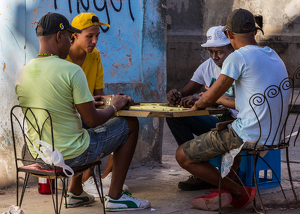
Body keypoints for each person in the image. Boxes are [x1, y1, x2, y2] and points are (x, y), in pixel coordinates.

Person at [15, 12, 150, 211]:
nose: (70, 43)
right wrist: (115, 106)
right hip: (69, 156)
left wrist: (88, 102)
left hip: (37, 156)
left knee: (79, 128)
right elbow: (93, 120)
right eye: (70, 37)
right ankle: (115, 197)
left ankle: (76, 193)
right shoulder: (71, 71)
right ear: (59, 36)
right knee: (129, 124)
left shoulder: (23, 72)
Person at [175, 8, 289, 211]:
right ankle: (227, 189)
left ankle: (238, 191)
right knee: (227, 130)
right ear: (255, 32)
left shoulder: (237, 58)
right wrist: (213, 99)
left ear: (229, 35)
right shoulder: (272, 55)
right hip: (275, 134)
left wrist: (197, 103)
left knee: (182, 155)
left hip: (249, 134)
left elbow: (210, 96)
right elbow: (245, 100)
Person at [65, 12, 128, 197]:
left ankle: (106, 176)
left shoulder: (95, 56)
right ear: (74, 35)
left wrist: (118, 100)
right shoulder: (63, 59)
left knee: (121, 116)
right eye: (89, 36)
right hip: (70, 118)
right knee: (93, 123)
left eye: (97, 36)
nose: (94, 41)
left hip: (88, 111)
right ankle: (85, 179)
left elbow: (99, 96)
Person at [166, 26, 235, 191]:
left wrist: (206, 98)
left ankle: (211, 172)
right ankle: (200, 169)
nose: (214, 57)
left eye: (219, 52)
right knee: (174, 116)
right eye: (211, 52)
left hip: (233, 122)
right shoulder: (207, 66)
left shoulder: (237, 65)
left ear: (231, 47)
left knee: (225, 121)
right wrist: (176, 96)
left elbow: (242, 101)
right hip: (214, 121)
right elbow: (185, 92)